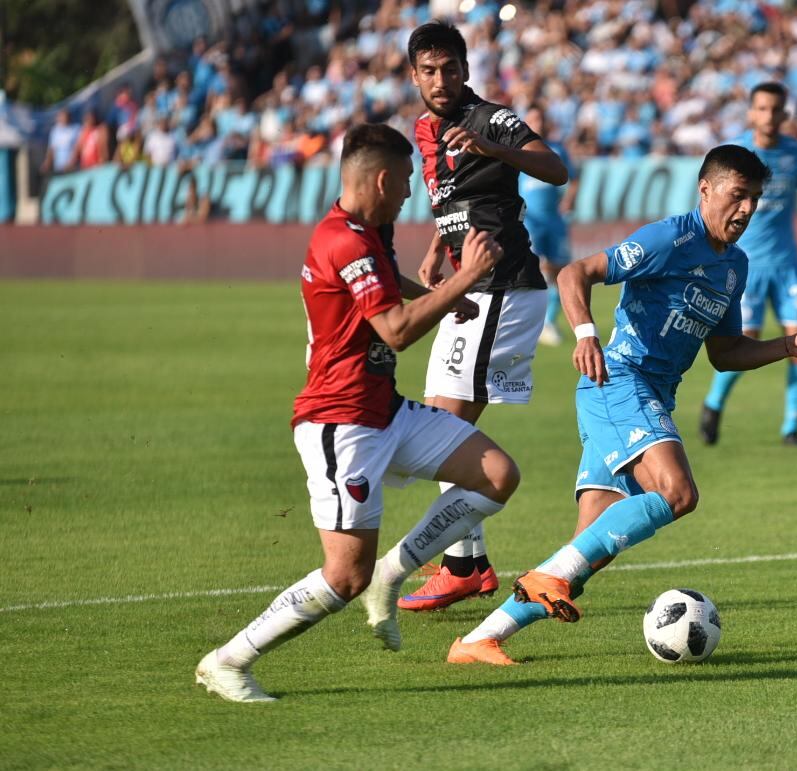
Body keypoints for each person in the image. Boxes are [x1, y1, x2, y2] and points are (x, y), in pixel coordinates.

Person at [446, 145, 797, 665]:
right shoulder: (670, 238)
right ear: (706, 189)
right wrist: (585, 334)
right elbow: (573, 273)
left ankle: (478, 639)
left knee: (584, 555)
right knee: (678, 493)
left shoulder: (735, 266)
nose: (747, 209)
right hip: (619, 381)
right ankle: (542, 581)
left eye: (754, 199)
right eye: (737, 195)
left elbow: (725, 354)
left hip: (649, 396)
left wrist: (787, 345)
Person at [195, 123, 519, 702]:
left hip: (386, 410)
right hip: (341, 424)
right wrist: (464, 279)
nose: (411, 195)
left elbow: (388, 287)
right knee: (345, 574)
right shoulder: (341, 239)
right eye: (406, 185)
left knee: (496, 474)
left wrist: (435, 295)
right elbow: (393, 332)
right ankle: (228, 660)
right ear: (383, 179)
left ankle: (394, 573)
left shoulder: (370, 228)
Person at [388, 21, 569, 614]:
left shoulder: (491, 119)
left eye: (450, 69)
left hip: (505, 286)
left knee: (444, 430)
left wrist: (496, 149)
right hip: (472, 283)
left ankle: (461, 566)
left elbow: (554, 167)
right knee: (442, 428)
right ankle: (467, 565)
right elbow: (454, 198)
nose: (441, 81)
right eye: (428, 71)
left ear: (466, 70)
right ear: (414, 76)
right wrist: (441, 245)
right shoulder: (422, 128)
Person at [700, 82, 797, 447]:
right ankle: (714, 403)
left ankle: (791, 429)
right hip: (745, 267)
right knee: (745, 341)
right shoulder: (734, 154)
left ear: (785, 114)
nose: (769, 116)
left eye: (776, 110)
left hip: (787, 265)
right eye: (762, 109)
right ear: (751, 112)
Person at [520, 105, 578, 346]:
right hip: (530, 220)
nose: (539, 124)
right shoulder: (517, 150)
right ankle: (532, 322)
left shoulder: (557, 149)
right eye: (533, 119)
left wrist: (568, 201)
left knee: (560, 270)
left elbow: (574, 179)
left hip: (554, 220)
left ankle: (549, 322)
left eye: (541, 119)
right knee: (538, 266)